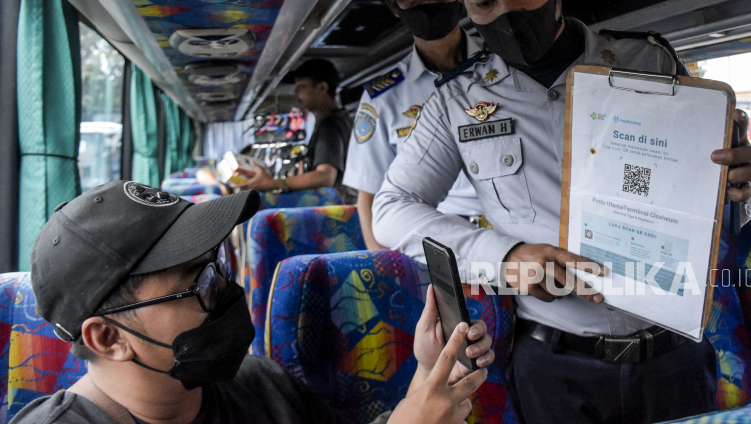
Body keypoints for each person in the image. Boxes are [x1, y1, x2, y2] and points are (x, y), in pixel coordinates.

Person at [372, 0, 751, 424]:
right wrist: (506, 257)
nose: (507, 13)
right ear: (463, 3)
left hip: (672, 353)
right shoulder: (457, 104)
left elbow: (723, 204)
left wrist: (743, 186)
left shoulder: (646, 63)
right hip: (553, 364)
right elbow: (391, 207)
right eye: (484, 1)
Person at [12, 181, 495, 424]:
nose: (225, 289)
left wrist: (427, 379)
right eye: (196, 280)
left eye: (218, 264)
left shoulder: (262, 386)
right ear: (109, 337)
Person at [343, 0, 484, 249]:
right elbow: (370, 196)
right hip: (437, 245)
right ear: (394, 4)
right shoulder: (382, 98)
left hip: (514, 235)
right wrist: (386, 270)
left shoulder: (504, 68)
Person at [241, 59, 357, 204]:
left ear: (322, 88)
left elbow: (326, 176)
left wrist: (273, 183)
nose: (296, 92)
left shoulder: (330, 125)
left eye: (302, 86)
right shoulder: (342, 118)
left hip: (339, 206)